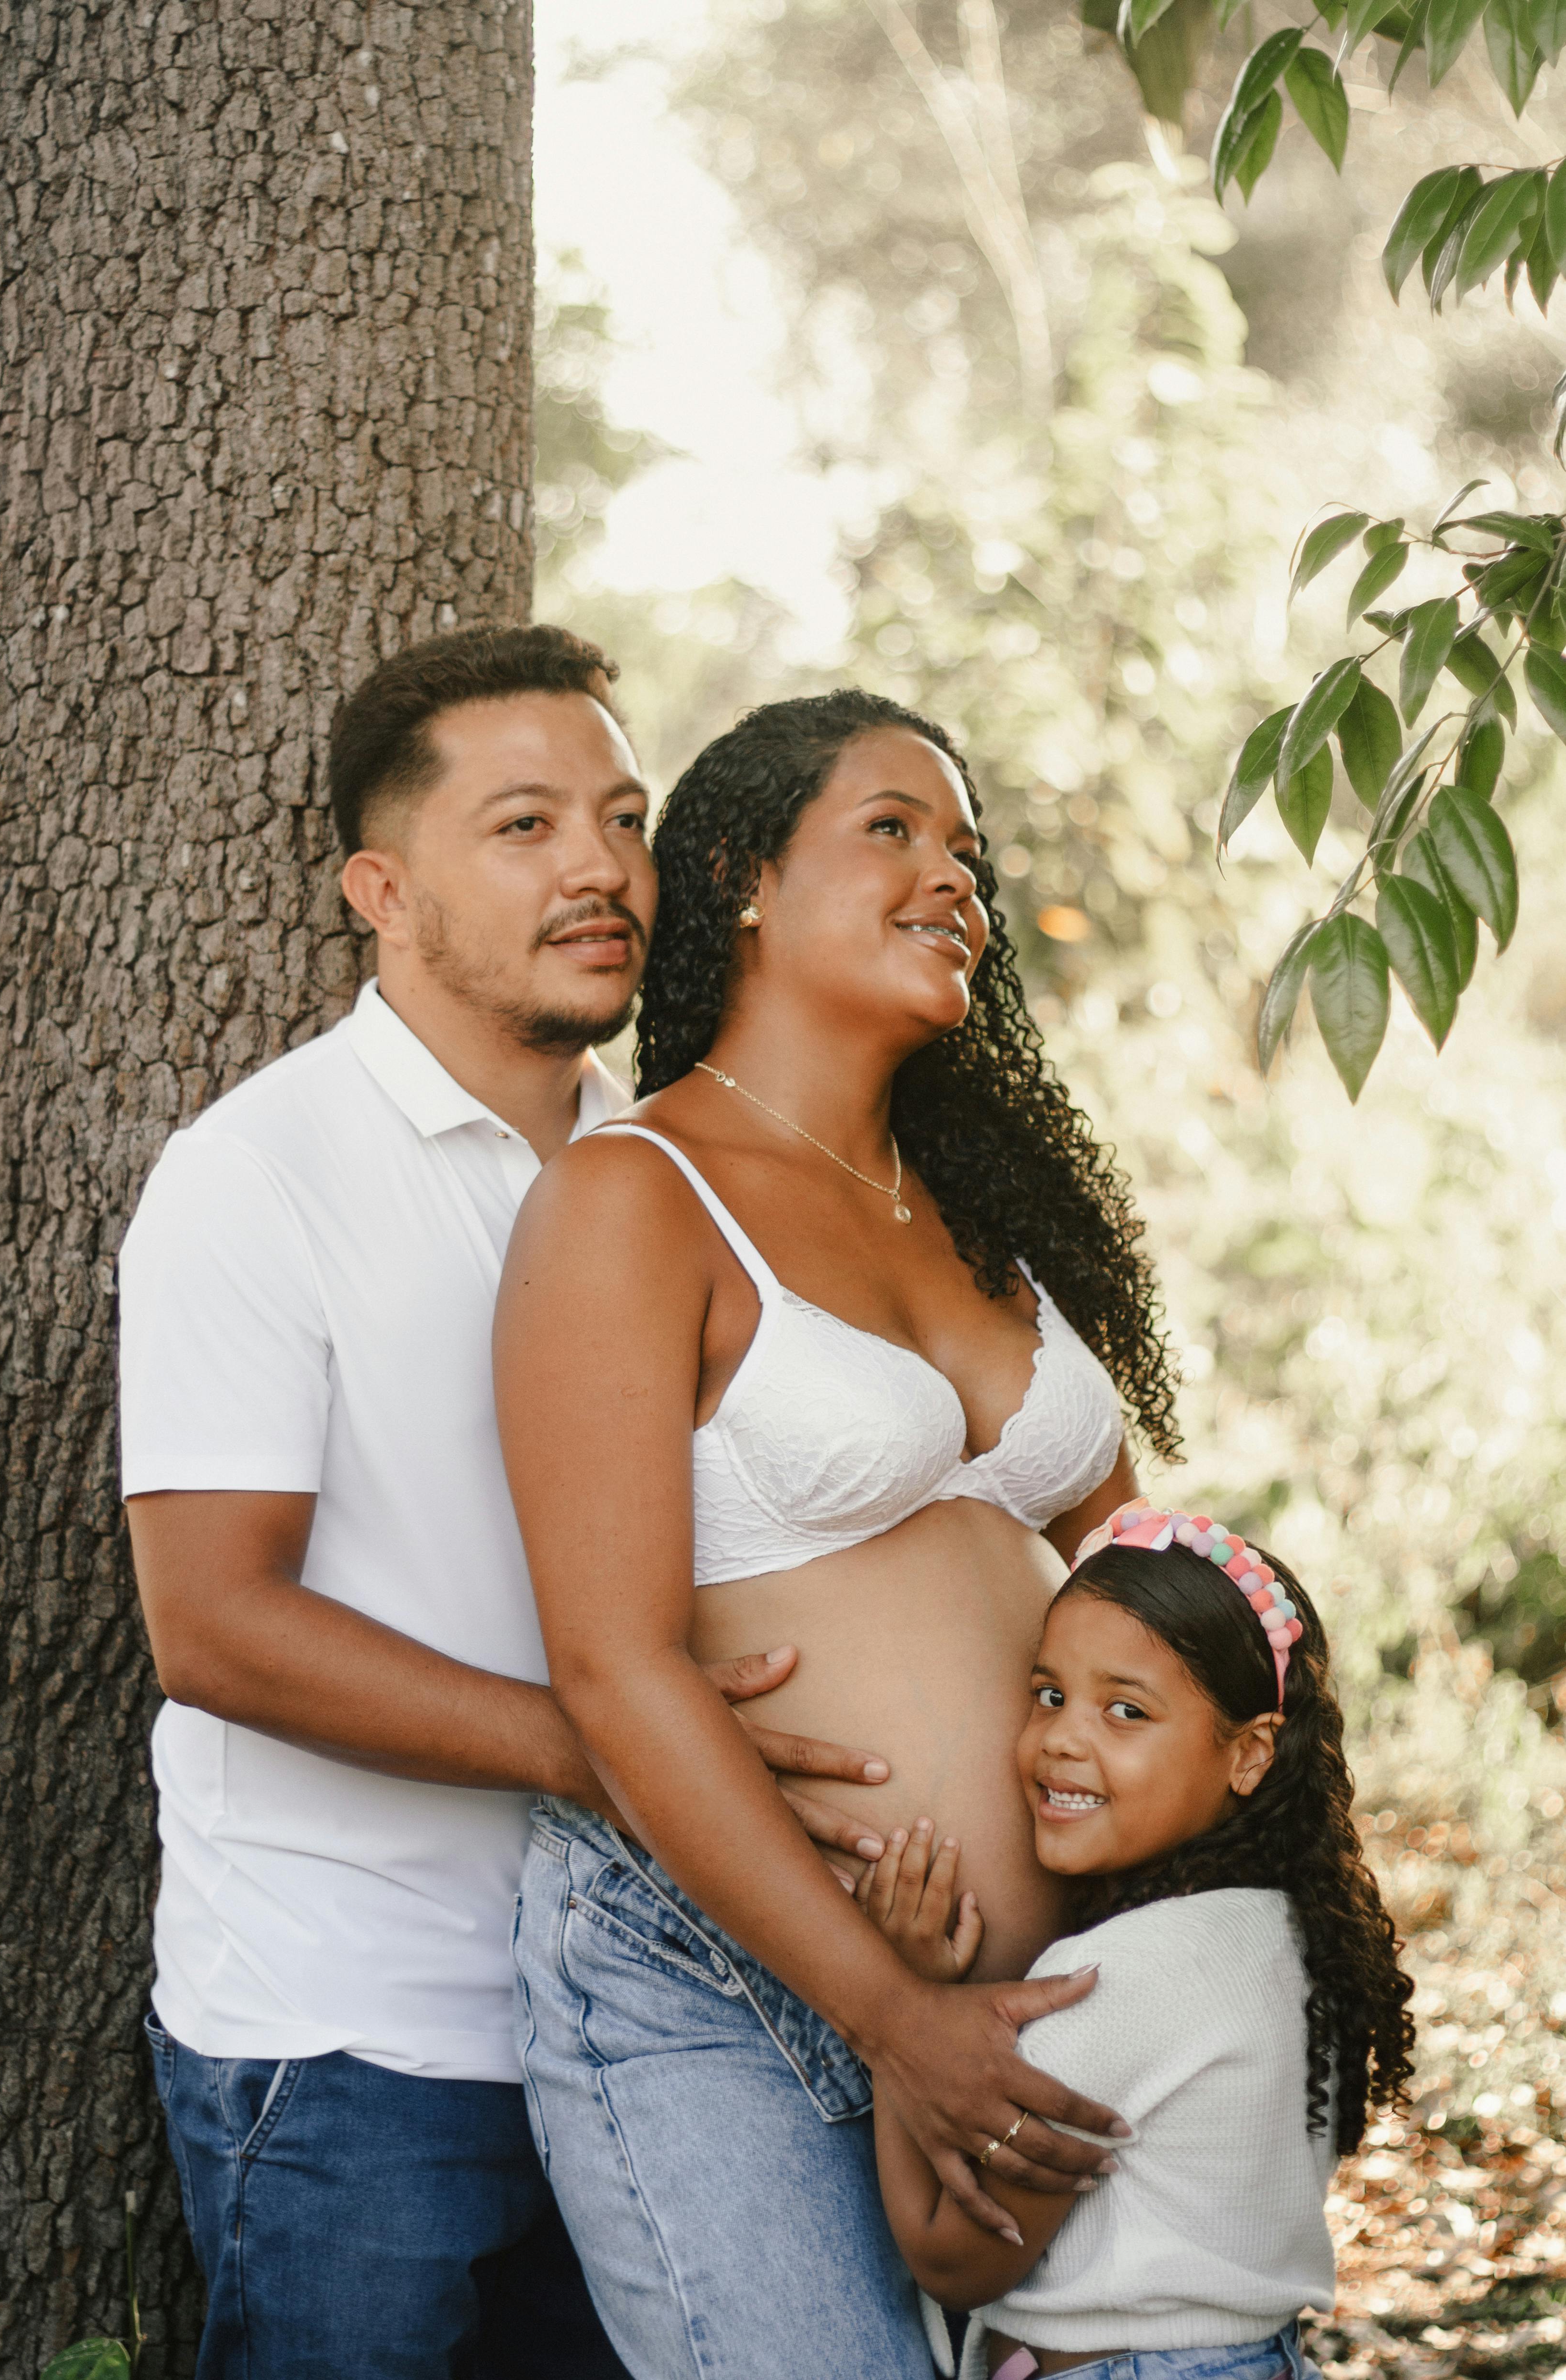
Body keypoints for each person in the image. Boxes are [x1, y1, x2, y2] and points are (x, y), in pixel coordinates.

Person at [118, 627, 895, 2380]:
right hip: (347, 2043)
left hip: (655, 2015)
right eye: (528, 825)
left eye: (621, 819)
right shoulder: (254, 1177)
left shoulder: (670, 1172)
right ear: (381, 889)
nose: (604, 869)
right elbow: (216, 1624)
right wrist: (616, 1745)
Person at [498, 689, 1183, 2379]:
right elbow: (609, 1661)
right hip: (717, 1977)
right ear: (738, 875)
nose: (950, 874)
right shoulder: (632, 1195)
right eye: (892, 829)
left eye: (967, 850)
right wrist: (897, 2017)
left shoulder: (992, 1215)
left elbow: (1140, 1602)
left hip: (1042, 1997)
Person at [856, 1501, 1417, 2380]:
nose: (1061, 1740)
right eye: (1050, 1695)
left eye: (1125, 1711)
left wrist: (899, 2024)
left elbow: (957, 2257)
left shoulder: (1116, 1980)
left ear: (1249, 1753)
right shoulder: (1286, 1936)